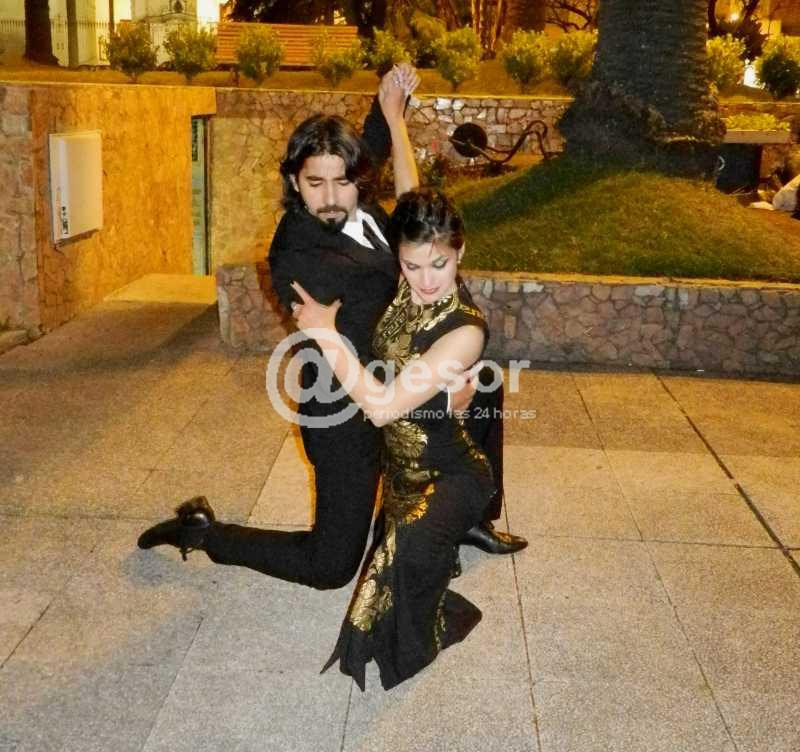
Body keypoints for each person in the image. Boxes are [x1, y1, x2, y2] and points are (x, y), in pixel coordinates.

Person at [137, 65, 525, 589]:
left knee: (485, 390)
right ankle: (204, 532)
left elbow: (397, 187)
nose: (330, 198)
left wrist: (391, 111)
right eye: (314, 183)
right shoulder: (300, 253)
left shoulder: (357, 205)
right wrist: (438, 392)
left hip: (391, 374)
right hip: (347, 407)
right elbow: (368, 350)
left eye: (342, 182)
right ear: (293, 181)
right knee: (331, 567)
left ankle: (466, 517)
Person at [292, 188, 497, 690]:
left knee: (397, 589)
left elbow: (383, 407)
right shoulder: (405, 282)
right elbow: (411, 199)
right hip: (402, 474)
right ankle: (434, 558)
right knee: (406, 572)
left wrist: (325, 334)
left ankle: (441, 544)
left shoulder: (466, 330)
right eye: (412, 266)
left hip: (453, 474)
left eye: (440, 265)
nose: (426, 281)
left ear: (461, 253)